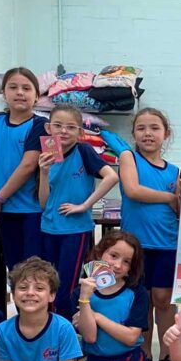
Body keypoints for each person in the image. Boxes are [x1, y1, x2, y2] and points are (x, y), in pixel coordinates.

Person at [37, 105, 120, 319]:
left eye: (71, 127)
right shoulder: (47, 155)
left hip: (75, 230)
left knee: (68, 287)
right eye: (58, 126)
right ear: (48, 128)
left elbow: (112, 177)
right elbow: (44, 202)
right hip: (48, 228)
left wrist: (84, 205)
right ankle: (51, 328)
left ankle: (67, 332)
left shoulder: (83, 151)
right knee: (49, 284)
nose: (64, 131)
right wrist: (43, 173)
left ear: (80, 132)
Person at [118, 108, 180, 361]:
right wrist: (170, 197)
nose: (148, 133)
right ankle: (143, 355)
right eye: (141, 128)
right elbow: (132, 190)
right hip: (136, 246)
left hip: (168, 244)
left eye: (154, 128)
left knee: (164, 299)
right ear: (133, 133)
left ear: (166, 133)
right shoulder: (128, 157)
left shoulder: (174, 171)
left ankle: (167, 355)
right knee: (142, 300)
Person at [0, 67, 48, 270]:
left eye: (26, 88)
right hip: (4, 211)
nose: (20, 92)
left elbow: (28, 165)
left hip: (34, 210)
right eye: (13, 87)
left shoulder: (42, 125)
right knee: (14, 270)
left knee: (34, 270)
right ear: (4, 93)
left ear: (36, 96)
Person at [73, 231, 152, 361]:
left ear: (131, 267)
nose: (117, 265)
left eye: (126, 261)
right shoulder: (81, 292)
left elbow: (131, 338)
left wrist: (97, 317)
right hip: (98, 359)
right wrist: (84, 300)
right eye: (113, 256)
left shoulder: (137, 293)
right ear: (99, 253)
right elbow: (90, 337)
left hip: (131, 357)